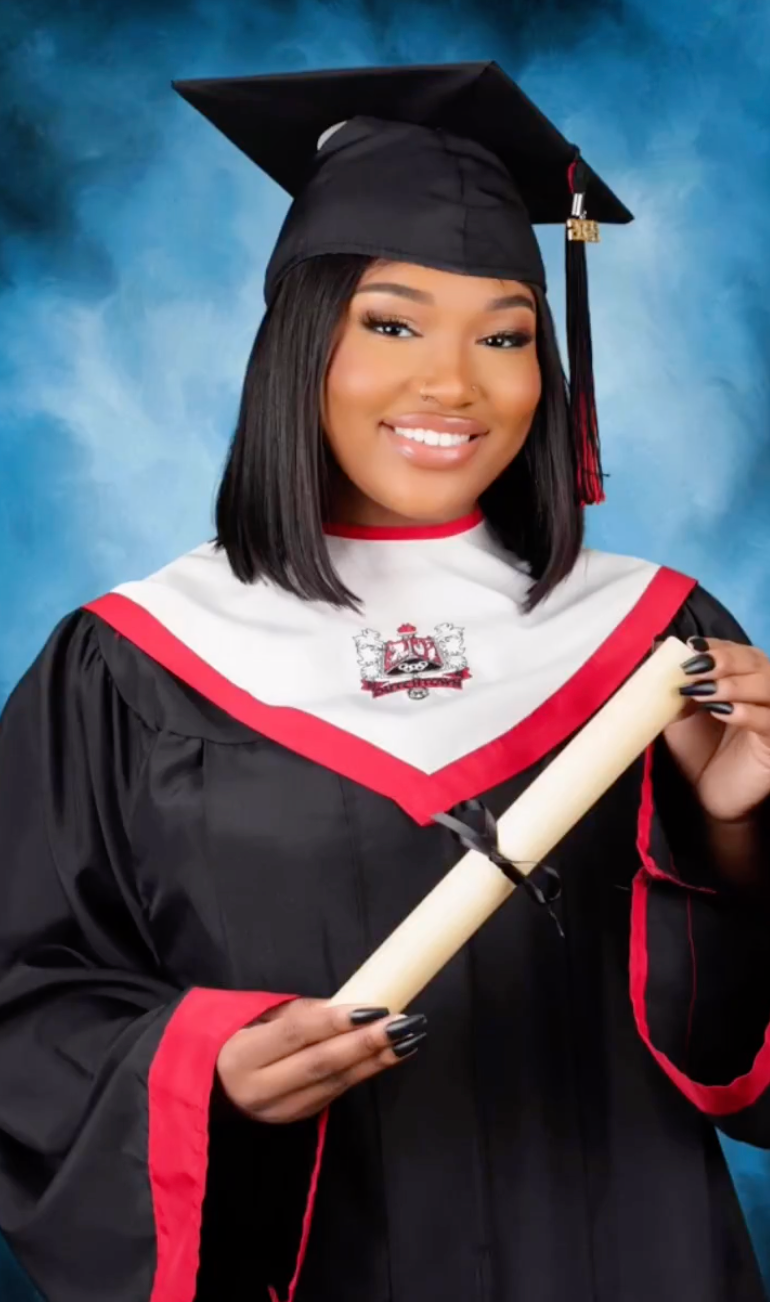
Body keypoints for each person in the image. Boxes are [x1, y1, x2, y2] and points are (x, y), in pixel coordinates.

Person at [0, 59, 769, 1302]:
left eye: (504, 336)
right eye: (391, 325)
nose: (452, 385)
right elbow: (23, 1001)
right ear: (298, 342)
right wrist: (201, 1066)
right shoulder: (128, 663)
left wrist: (737, 839)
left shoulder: (649, 637)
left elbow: (731, 1024)